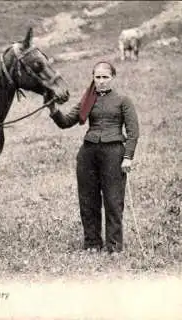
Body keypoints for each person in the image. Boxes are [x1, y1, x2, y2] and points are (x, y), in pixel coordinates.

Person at [46, 61, 140, 254]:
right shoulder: (87, 100)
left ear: (113, 78)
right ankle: (92, 243)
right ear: (93, 78)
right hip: (88, 153)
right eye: (98, 77)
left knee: (113, 200)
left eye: (105, 77)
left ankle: (114, 246)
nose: (101, 81)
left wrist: (128, 157)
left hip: (114, 153)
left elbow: (133, 132)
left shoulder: (123, 100)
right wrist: (53, 110)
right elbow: (66, 122)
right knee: (88, 200)